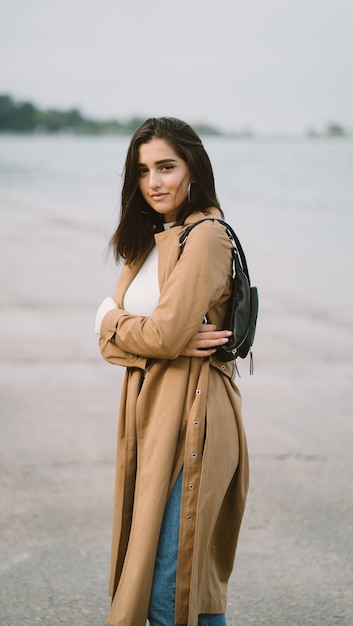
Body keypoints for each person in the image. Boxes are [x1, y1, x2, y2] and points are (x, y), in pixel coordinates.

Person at [95, 117, 249, 626]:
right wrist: (128, 329)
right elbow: (115, 343)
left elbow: (154, 335)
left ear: (194, 169)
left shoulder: (205, 236)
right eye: (143, 171)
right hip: (151, 412)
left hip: (193, 414)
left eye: (166, 166)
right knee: (173, 577)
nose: (154, 182)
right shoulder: (146, 241)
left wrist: (111, 319)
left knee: (173, 582)